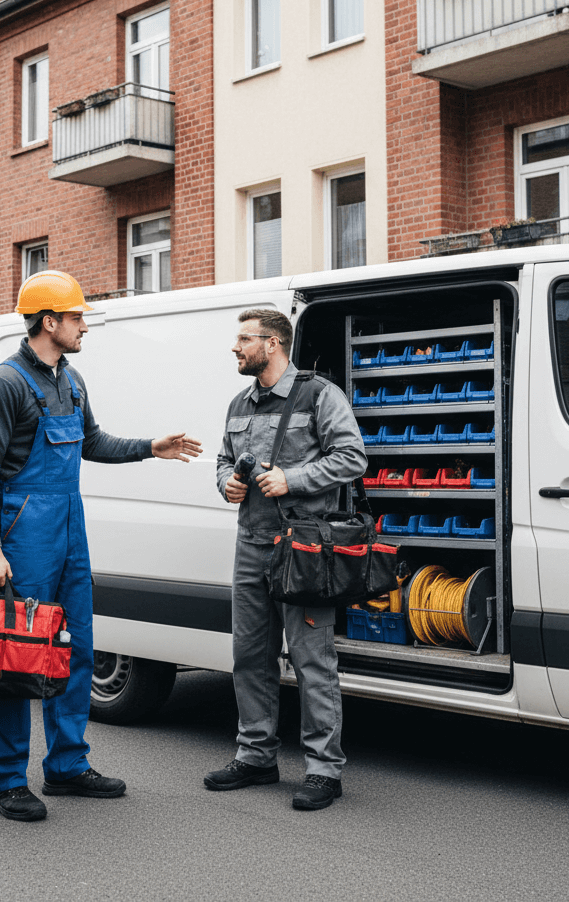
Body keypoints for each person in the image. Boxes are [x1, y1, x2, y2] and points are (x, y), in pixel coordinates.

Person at [0, 270, 202, 822]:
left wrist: (150, 447)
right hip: (22, 531)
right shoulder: (3, 384)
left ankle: (67, 766)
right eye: (77, 318)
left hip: (69, 530)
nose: (84, 328)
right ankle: (5, 781)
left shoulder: (70, 380)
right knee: (16, 656)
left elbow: (91, 441)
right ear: (49, 321)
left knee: (75, 648)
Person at [207, 308, 366, 810]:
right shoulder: (239, 402)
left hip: (304, 548)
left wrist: (292, 479)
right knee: (249, 656)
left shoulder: (320, 395)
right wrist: (226, 482)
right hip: (251, 545)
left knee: (311, 660)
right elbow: (222, 459)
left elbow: (352, 457)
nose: (235, 347)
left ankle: (323, 771)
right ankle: (256, 756)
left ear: (273, 343)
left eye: (244, 338)